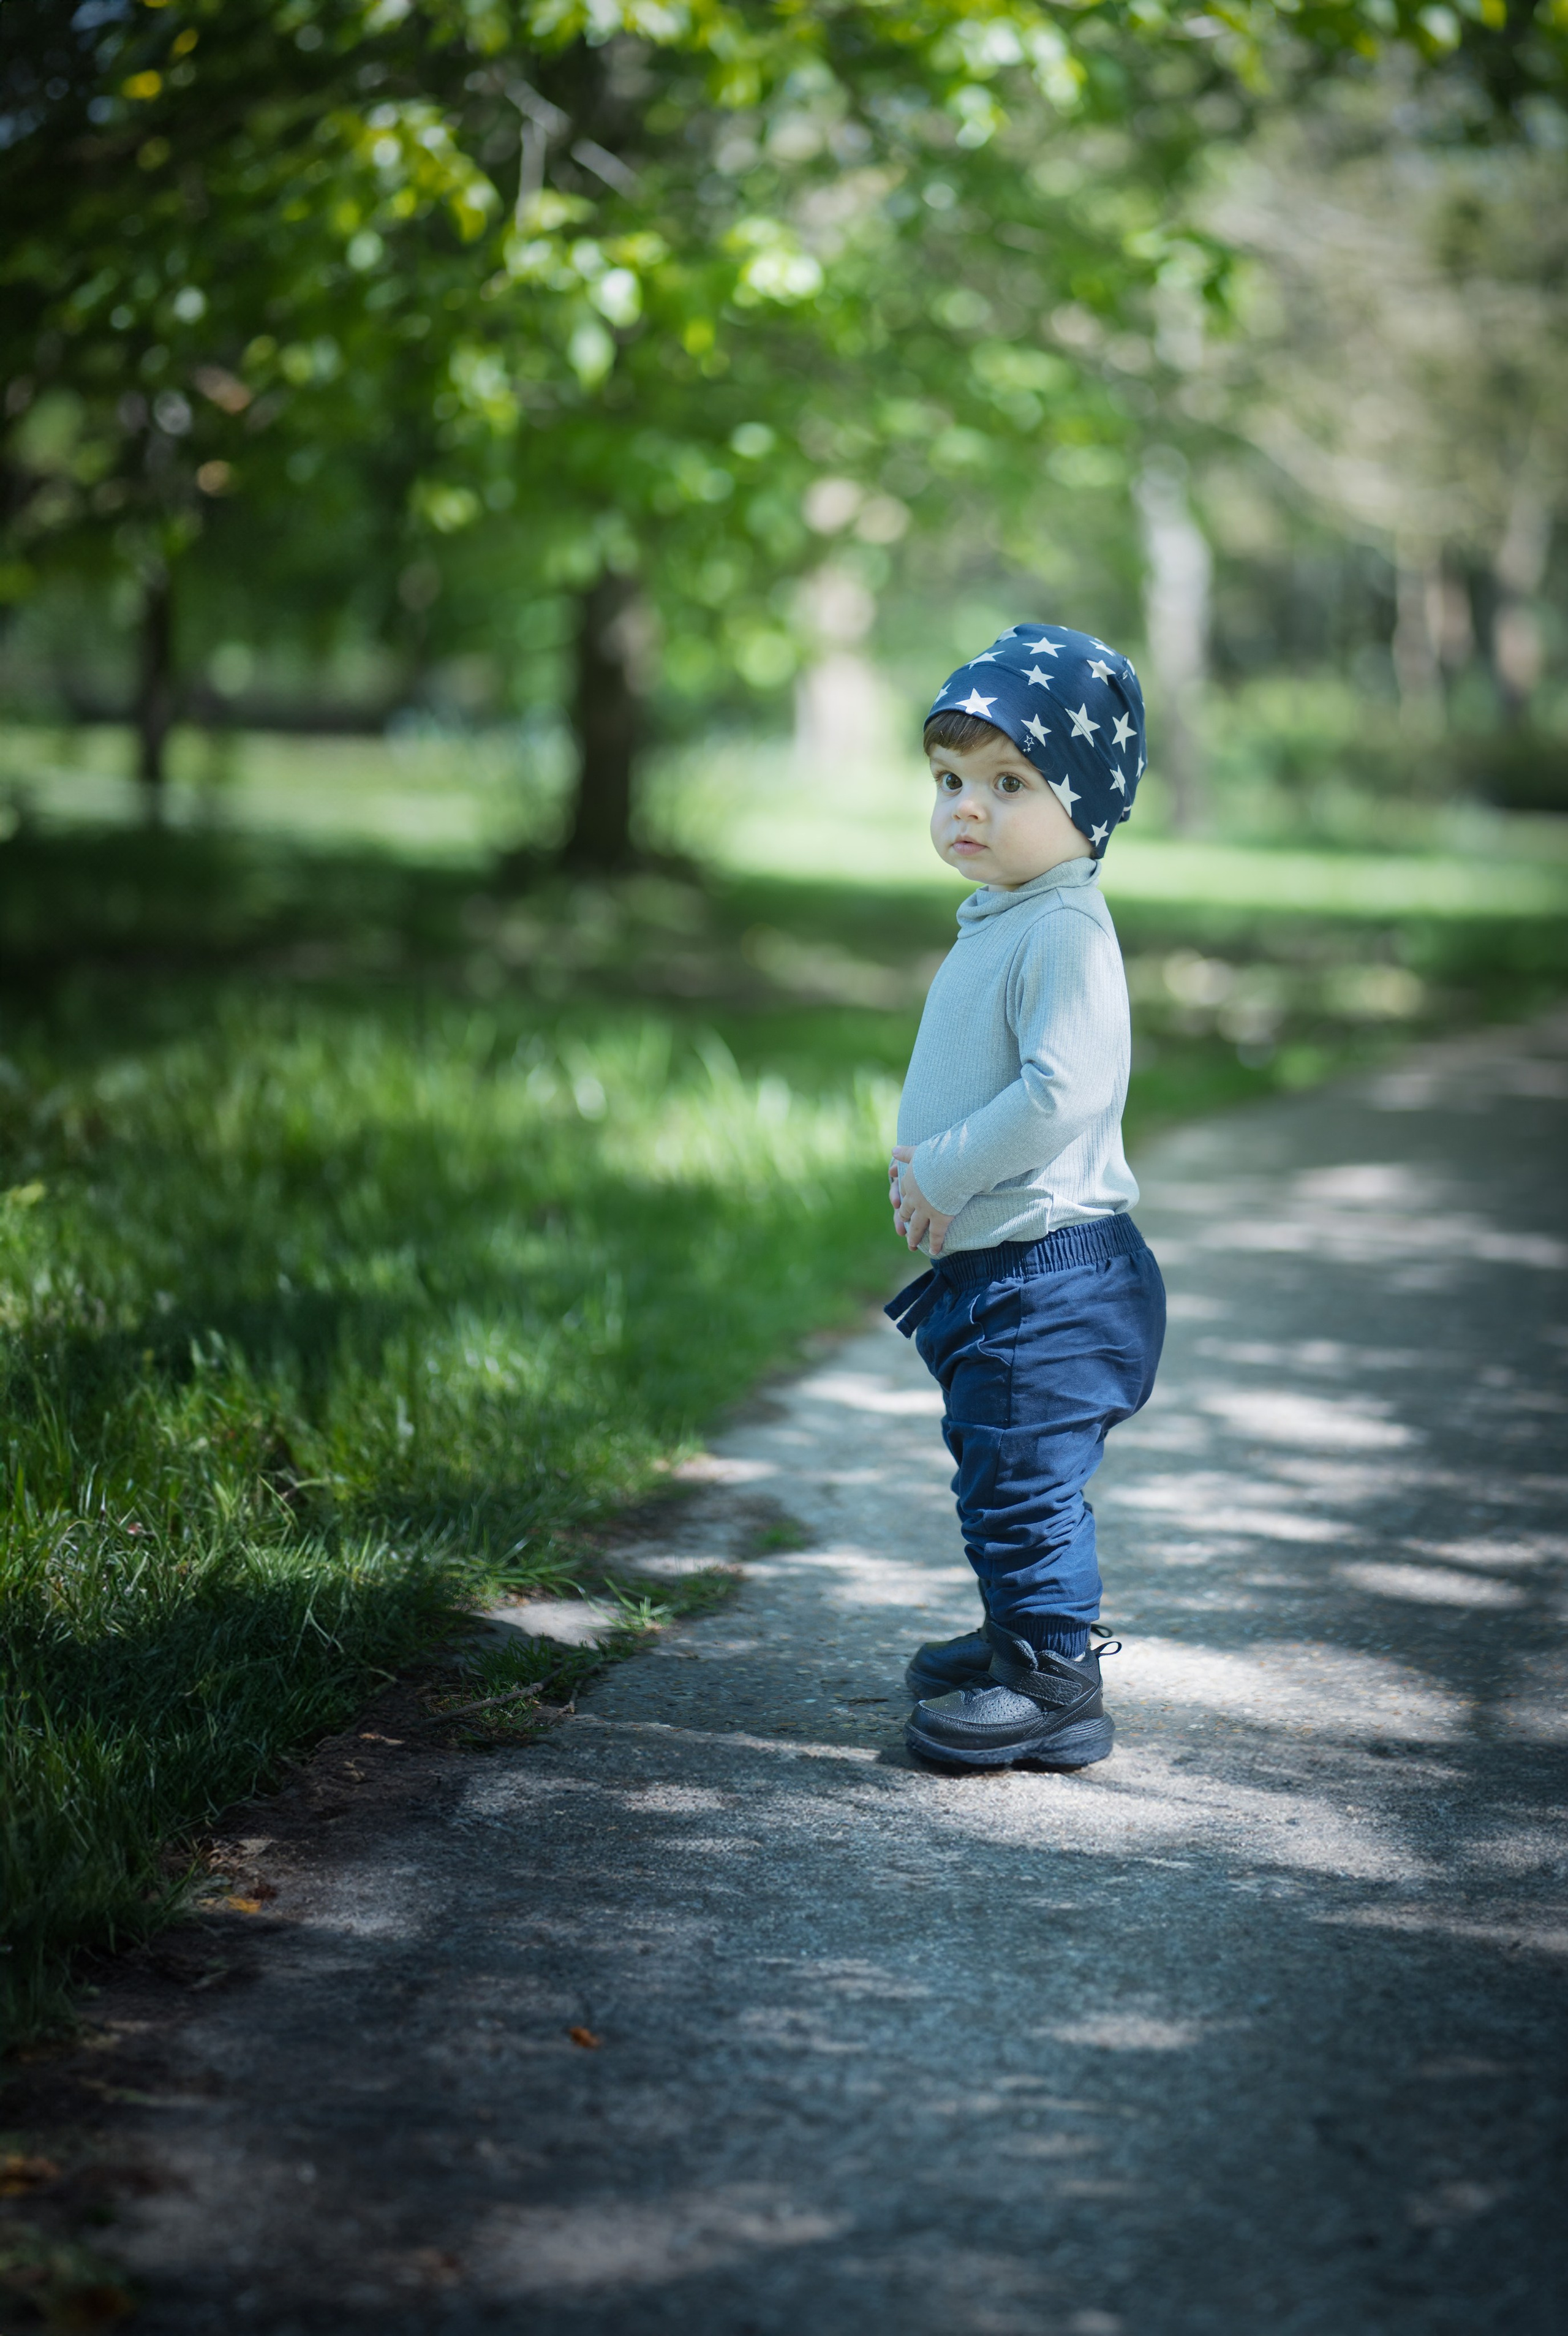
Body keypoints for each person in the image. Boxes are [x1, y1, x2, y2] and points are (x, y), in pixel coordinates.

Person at [886, 622, 1166, 1771]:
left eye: (1010, 783)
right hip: (1011, 1268)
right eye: (950, 780)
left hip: (1052, 1282)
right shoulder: (1009, 912)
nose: (969, 806)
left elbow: (1064, 1091)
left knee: (1024, 1484)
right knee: (996, 1469)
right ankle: (1019, 1634)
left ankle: (1056, 1681)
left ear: (1084, 805)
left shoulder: (1061, 927)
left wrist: (943, 1170)